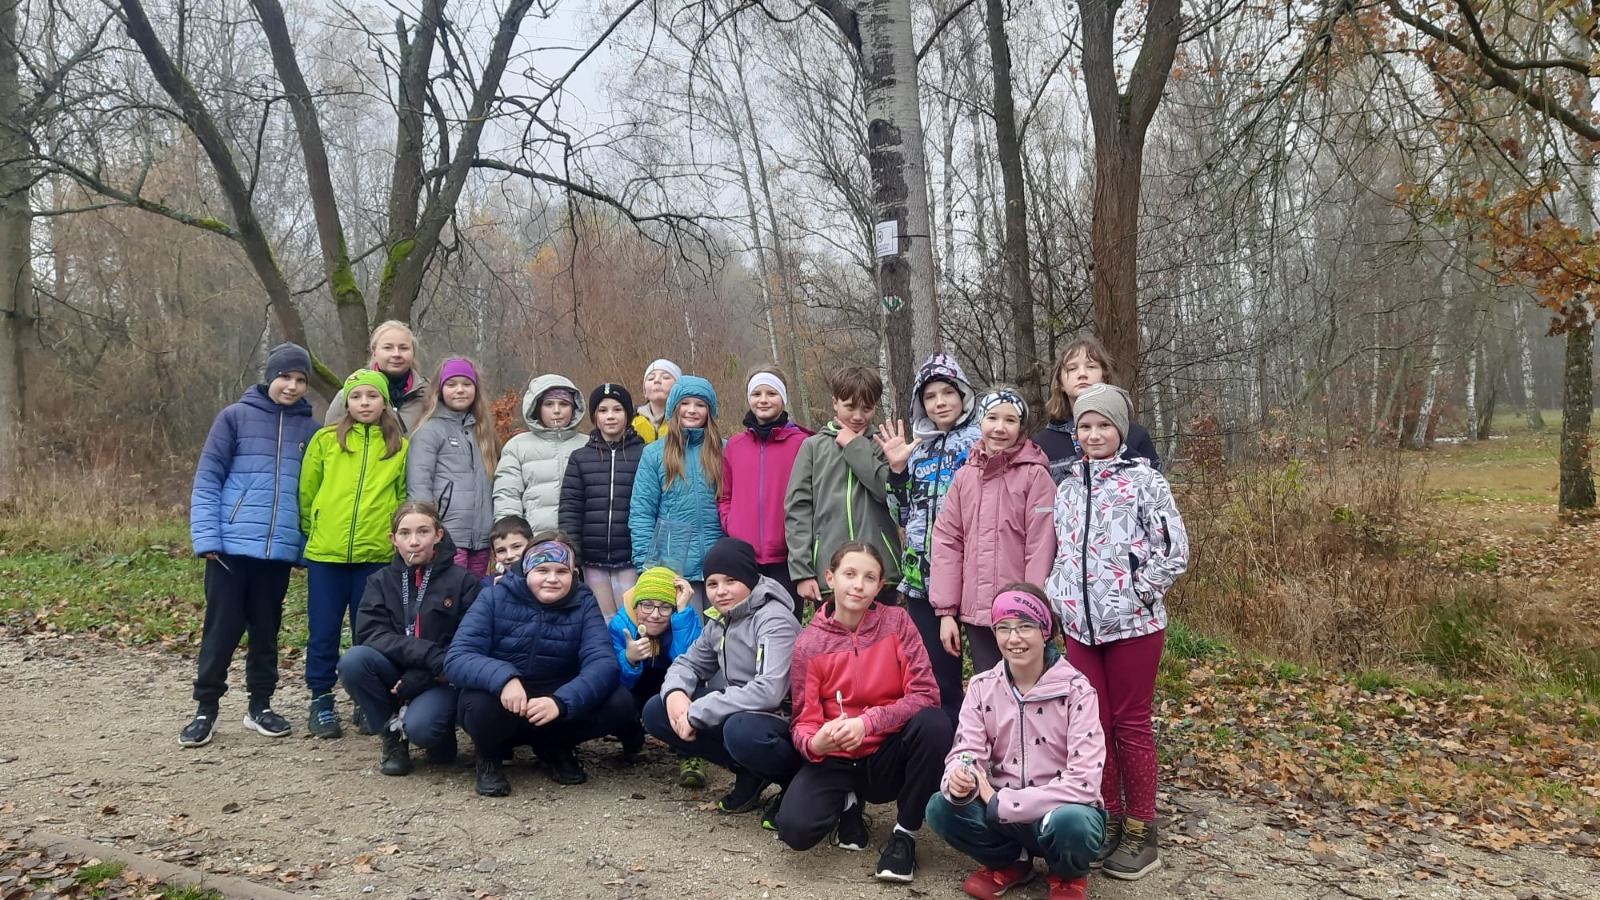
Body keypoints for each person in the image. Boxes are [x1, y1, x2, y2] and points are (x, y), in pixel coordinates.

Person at [1044, 383, 1189, 880]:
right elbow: (1062, 550)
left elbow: (1174, 550)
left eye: (1103, 424)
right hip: (1081, 629)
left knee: (1130, 724)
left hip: (1134, 625)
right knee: (1094, 725)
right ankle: (1107, 817)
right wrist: (1060, 596)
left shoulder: (1145, 481)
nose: (1094, 434)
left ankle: (1141, 829)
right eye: (1085, 426)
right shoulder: (1068, 486)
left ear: (1121, 430)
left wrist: (1138, 592)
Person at [776, 543, 952, 885]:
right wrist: (816, 744)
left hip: (887, 753)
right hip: (837, 757)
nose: (858, 585)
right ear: (830, 578)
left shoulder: (897, 622)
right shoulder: (809, 643)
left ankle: (904, 834)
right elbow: (802, 722)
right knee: (795, 830)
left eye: (869, 577)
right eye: (850, 574)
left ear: (880, 585)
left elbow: (926, 695)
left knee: (935, 724)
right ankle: (848, 803)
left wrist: (868, 722)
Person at [925, 586, 1107, 900]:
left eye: (1025, 626)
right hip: (1002, 814)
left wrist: (1002, 802)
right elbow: (966, 751)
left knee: (1074, 824)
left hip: (1060, 810)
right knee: (941, 807)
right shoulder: (982, 687)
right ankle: (1012, 862)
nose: (1013, 638)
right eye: (1004, 628)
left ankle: (1067, 873)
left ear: (1046, 631)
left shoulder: (1077, 690)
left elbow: (1084, 782)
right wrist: (960, 776)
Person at [182, 343, 320, 747]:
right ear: (269, 377)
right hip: (229, 550)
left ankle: (260, 705)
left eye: (300, 380)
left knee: (266, 632)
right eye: (285, 377)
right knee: (221, 631)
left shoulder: (311, 431)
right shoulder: (234, 417)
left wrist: (301, 546)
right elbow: (208, 479)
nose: (291, 386)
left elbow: (313, 494)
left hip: (277, 553)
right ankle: (205, 709)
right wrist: (207, 537)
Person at [445, 533, 634, 794]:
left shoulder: (584, 602)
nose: (552, 578)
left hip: (553, 699)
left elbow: (603, 662)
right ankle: (488, 756)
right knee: (478, 704)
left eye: (562, 571)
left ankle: (555, 744)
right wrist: (504, 678)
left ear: (573, 574)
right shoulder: (493, 597)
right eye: (542, 570)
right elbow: (458, 657)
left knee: (619, 702)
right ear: (527, 570)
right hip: (505, 699)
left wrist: (561, 701)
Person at [642, 537, 801, 828]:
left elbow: (770, 691)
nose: (721, 591)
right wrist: (676, 693)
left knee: (740, 730)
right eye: (712, 584)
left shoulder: (774, 620)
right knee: (657, 710)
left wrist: (698, 711)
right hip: (741, 711)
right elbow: (689, 663)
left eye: (731, 581)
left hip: (784, 719)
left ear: (750, 579)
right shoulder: (720, 619)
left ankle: (793, 782)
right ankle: (749, 772)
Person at [299, 368, 409, 739]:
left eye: (372, 396)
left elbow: (403, 497)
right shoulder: (326, 440)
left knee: (370, 631)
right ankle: (321, 699)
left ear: (384, 402)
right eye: (357, 396)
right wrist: (315, 529)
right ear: (347, 402)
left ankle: (365, 697)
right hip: (326, 555)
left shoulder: (399, 446)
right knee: (323, 630)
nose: (364, 403)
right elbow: (308, 490)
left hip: (375, 556)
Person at [338, 501, 481, 775]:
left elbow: (471, 640)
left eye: (423, 532)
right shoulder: (379, 581)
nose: (414, 541)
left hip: (440, 676)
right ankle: (393, 737)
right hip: (396, 671)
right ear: (394, 539)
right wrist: (425, 655)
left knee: (425, 732)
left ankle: (438, 731)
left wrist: (428, 675)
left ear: (438, 535)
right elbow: (370, 634)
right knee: (354, 661)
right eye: (405, 533)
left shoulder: (463, 582)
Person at [929, 389, 1056, 687]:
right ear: (980, 422)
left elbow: (1041, 545)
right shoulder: (965, 476)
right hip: (977, 613)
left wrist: (1030, 606)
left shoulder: (1035, 476)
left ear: (1021, 427)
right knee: (989, 689)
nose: (1000, 427)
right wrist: (946, 612)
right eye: (992, 418)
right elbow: (948, 541)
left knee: (1030, 688)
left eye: (1010, 420)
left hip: (1022, 615)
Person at [885, 352, 981, 721]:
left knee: (989, 671)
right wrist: (897, 472)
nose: (939, 402)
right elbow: (902, 513)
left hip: (972, 576)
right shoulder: (916, 449)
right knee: (939, 678)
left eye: (947, 392)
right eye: (930, 396)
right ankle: (948, 745)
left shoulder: (981, 441)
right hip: (922, 578)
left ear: (963, 394)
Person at [785, 366, 905, 608]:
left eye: (867, 408)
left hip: (878, 575)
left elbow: (887, 493)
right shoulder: (813, 447)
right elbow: (798, 510)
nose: (858, 416)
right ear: (835, 403)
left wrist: (854, 447)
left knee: (883, 633)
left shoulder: (883, 446)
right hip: (830, 573)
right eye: (850, 407)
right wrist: (802, 572)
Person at [720, 368, 813, 612]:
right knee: (746, 625)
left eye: (771, 393)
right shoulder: (735, 446)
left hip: (787, 557)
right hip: (745, 558)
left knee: (785, 623)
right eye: (756, 394)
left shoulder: (802, 443)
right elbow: (725, 495)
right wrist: (731, 523)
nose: (763, 400)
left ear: (783, 398)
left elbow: (813, 496)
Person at [629, 376, 725, 606]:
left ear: (710, 411)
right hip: (675, 569)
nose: (692, 410)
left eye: (700, 405)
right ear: (674, 407)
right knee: (686, 625)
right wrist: (646, 566)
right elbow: (642, 513)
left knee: (723, 627)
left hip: (720, 565)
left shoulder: (726, 450)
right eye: (685, 403)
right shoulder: (654, 454)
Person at [406, 358, 501, 578]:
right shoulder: (429, 431)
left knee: (473, 592)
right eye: (451, 384)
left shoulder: (484, 432)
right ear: (440, 390)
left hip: (481, 537)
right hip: (447, 535)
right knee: (448, 592)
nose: (460, 390)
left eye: (467, 384)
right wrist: (426, 529)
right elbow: (419, 485)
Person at [560, 383, 646, 617]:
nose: (610, 416)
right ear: (594, 417)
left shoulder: (644, 454)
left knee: (632, 617)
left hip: (630, 558)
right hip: (592, 560)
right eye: (603, 410)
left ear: (628, 414)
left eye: (617, 409)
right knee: (601, 618)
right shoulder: (580, 458)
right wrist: (573, 554)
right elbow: (570, 509)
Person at [607, 566, 702, 769]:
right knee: (617, 698)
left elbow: (691, 665)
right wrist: (629, 659)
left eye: (665, 607)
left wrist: (682, 615)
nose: (655, 615)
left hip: (670, 686)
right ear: (636, 606)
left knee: (693, 690)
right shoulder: (621, 624)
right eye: (647, 606)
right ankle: (633, 741)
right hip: (637, 687)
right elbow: (612, 678)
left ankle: (689, 752)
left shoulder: (686, 618)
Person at [1034, 336, 1161, 484]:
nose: (1082, 374)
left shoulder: (1135, 436)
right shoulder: (1042, 445)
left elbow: (1158, 491)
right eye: (1072, 368)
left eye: (1091, 367)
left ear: (1104, 377)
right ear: (1060, 383)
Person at [493, 374, 587, 532]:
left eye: (564, 404)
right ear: (537, 407)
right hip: (535, 539)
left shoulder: (589, 445)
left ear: (574, 408)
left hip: (581, 539)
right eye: (549, 404)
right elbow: (507, 496)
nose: (556, 411)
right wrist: (512, 535)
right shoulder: (517, 446)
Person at [325, 321, 431, 433]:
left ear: (413, 353)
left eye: (403, 348)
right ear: (374, 353)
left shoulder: (430, 394)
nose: (396, 354)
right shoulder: (350, 395)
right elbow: (328, 438)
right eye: (388, 348)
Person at [632, 359, 681, 444]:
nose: (657, 380)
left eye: (665, 377)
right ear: (645, 392)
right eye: (651, 378)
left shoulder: (686, 419)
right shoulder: (630, 420)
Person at [484, 515, 532, 589]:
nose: (509, 556)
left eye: (516, 547)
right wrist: (496, 592)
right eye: (501, 551)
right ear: (495, 555)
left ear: (531, 545)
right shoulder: (487, 585)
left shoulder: (544, 580)